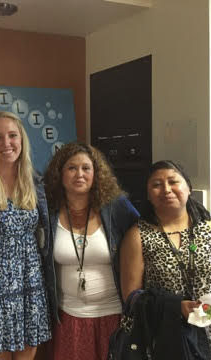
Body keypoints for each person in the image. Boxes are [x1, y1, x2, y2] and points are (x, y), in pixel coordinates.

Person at [120, 160, 211, 359]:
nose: (166, 189)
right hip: (162, 341)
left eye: (173, 182)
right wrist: (174, 306)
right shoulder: (137, 236)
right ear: (148, 195)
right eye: (156, 185)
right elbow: (132, 299)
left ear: (189, 188)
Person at [43, 142, 139, 360]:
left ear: (96, 173)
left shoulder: (116, 206)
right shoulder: (49, 210)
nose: (79, 174)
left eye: (86, 168)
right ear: (60, 173)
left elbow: (142, 237)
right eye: (71, 168)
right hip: (68, 318)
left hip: (113, 315)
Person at [0, 111, 51, 360]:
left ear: (22, 139)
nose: (6, 143)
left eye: (12, 135)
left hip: (31, 285)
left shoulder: (36, 183)